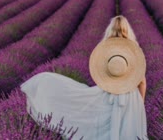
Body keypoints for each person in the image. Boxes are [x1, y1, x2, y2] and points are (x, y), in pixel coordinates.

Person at [20, 15, 148, 139]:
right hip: (131, 96)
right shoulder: (133, 50)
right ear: (127, 30)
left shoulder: (106, 48)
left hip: (109, 93)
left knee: (105, 127)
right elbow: (142, 82)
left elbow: (100, 73)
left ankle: (44, 82)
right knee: (130, 131)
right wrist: (140, 102)